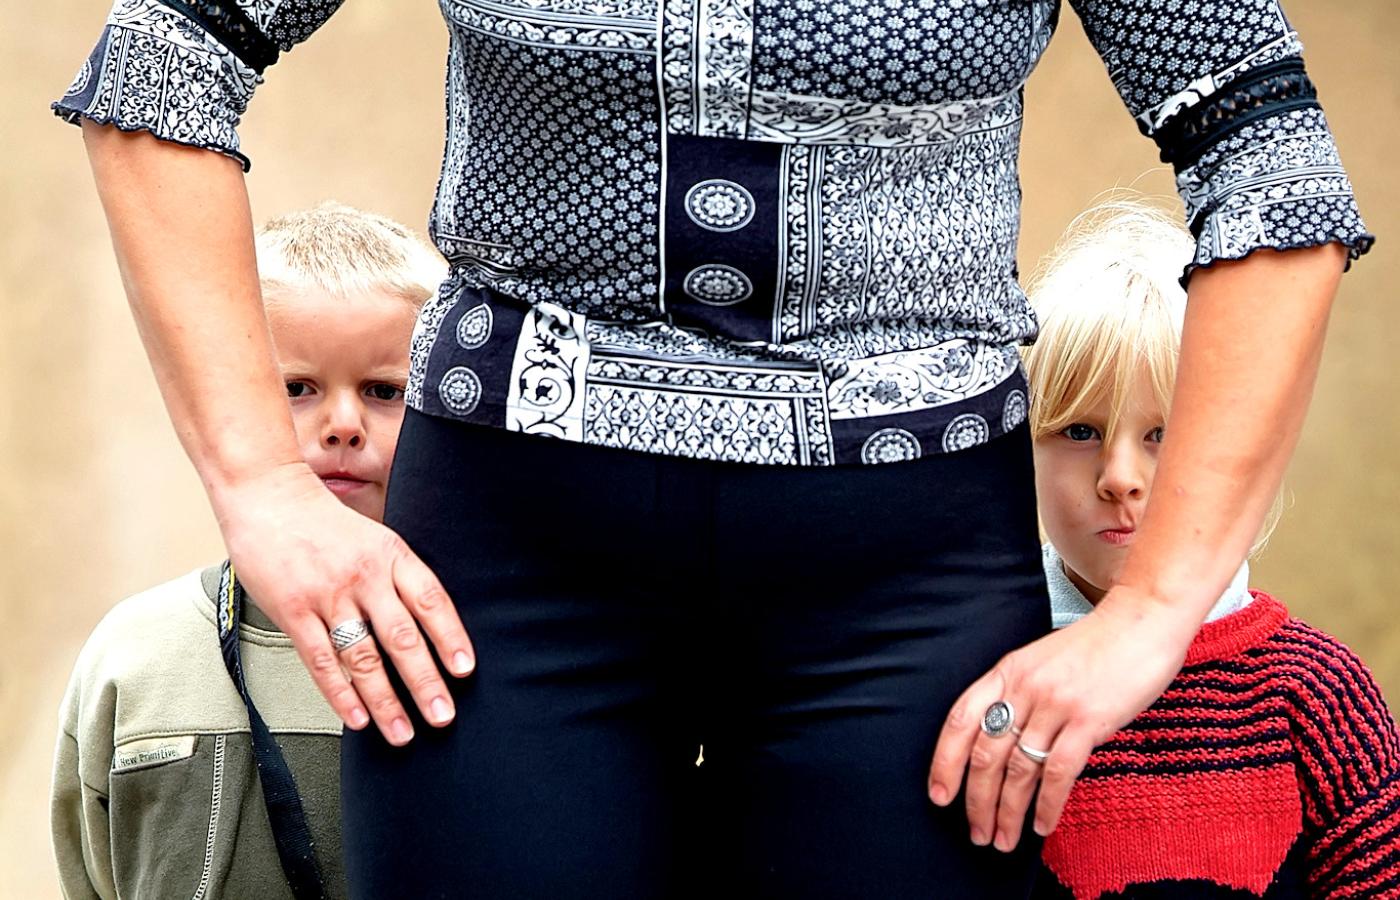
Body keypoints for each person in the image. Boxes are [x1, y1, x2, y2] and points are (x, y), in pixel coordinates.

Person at [53, 0, 1373, 896]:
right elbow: (167, 51)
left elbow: (1269, 160)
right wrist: (260, 482)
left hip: (900, 592)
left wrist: (1154, 606)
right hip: (508, 585)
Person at [50, 204, 445, 900]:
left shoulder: (478, 647)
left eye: (385, 392)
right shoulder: (135, 651)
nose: (343, 425)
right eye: (295, 389)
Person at [1022, 201, 1400, 899]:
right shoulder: (994, 681)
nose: (1119, 477)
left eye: (1162, 434)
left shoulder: (1319, 697)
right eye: (1079, 431)